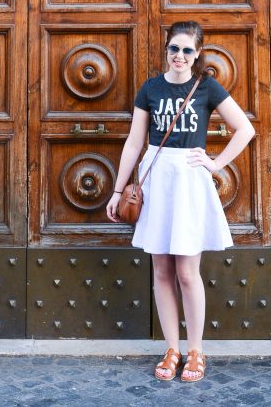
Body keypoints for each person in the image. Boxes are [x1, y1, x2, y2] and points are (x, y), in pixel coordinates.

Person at [106, 20, 255, 383]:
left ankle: (196, 350)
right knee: (161, 271)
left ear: (198, 54)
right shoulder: (151, 89)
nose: (180, 56)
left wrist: (216, 163)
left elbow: (245, 129)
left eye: (188, 50)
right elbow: (133, 141)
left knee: (188, 273)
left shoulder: (206, 87)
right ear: (166, 49)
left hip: (188, 180)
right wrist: (117, 189)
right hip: (158, 179)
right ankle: (171, 348)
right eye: (174, 48)